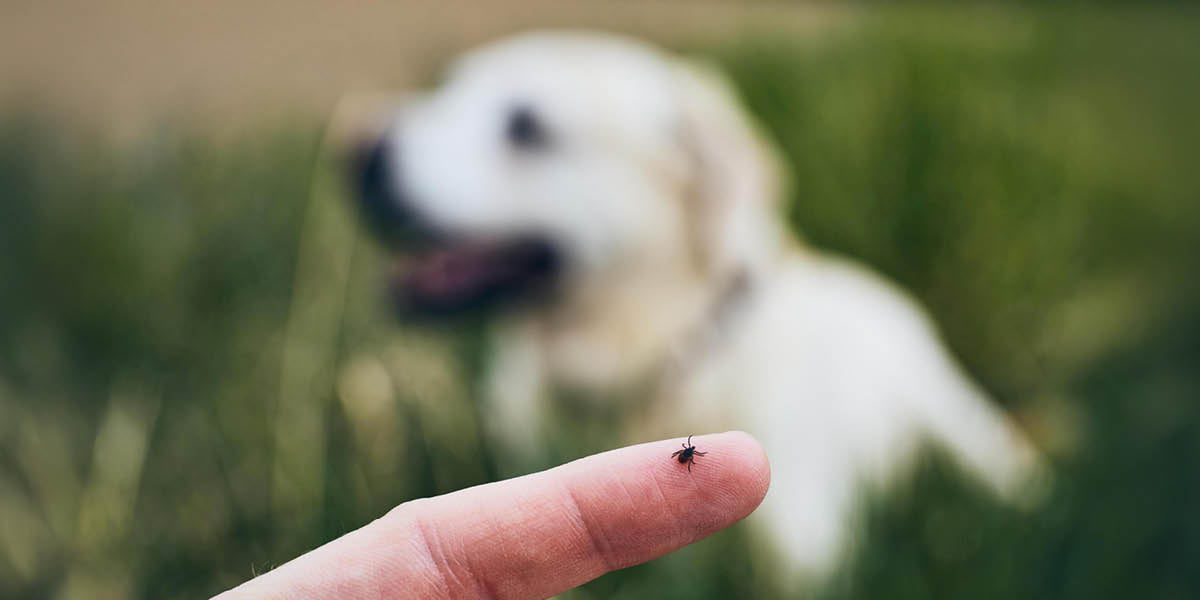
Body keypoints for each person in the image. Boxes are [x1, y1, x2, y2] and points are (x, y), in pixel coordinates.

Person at [214, 432, 770, 599]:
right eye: (689, 455)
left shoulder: (687, 457)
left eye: (689, 455)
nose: (688, 457)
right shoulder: (688, 460)